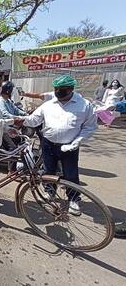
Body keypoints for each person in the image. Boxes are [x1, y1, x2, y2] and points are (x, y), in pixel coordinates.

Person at [21, 75, 97, 216]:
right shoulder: (49, 104)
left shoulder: (84, 105)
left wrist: (77, 142)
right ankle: (50, 193)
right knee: (48, 171)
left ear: (71, 89)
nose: (58, 92)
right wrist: (18, 120)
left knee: (71, 174)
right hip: (48, 144)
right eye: (56, 89)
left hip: (69, 146)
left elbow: (89, 127)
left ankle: (74, 199)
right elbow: (33, 120)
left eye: (62, 89)